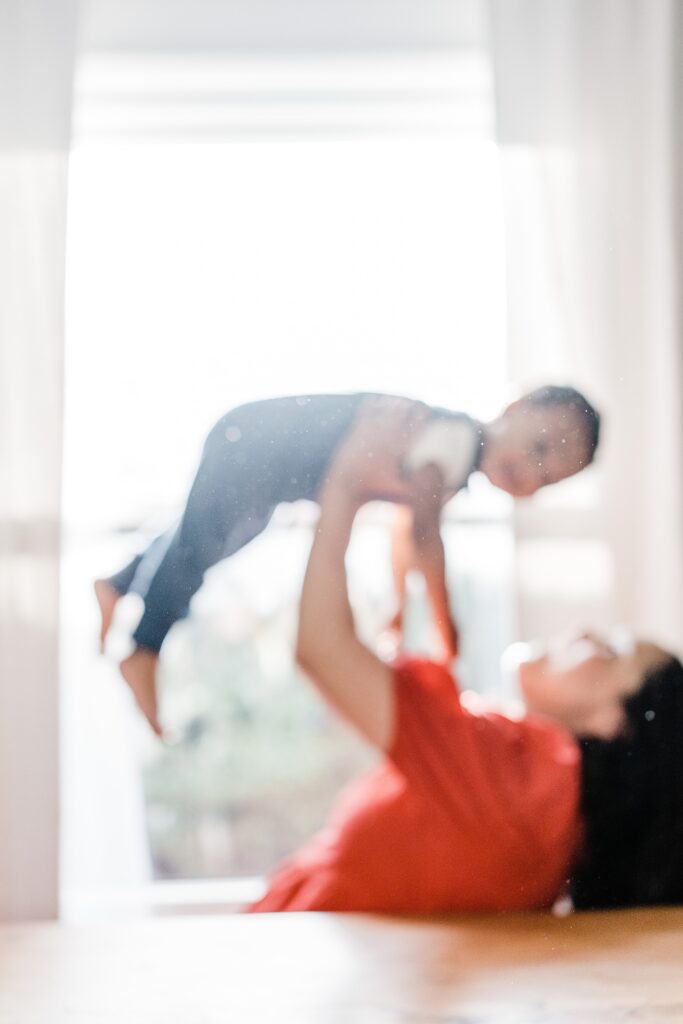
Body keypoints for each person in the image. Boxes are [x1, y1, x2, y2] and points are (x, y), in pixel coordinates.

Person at [250, 400, 683, 914]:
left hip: (293, 956)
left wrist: (346, 480)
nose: (586, 631)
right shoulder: (554, 826)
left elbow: (323, 647)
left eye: (610, 651)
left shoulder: (521, 779)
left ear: (616, 723)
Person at [96, 387, 600, 736]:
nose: (533, 471)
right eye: (538, 446)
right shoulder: (454, 438)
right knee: (199, 544)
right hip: (252, 442)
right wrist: (450, 625)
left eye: (549, 476)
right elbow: (424, 534)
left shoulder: (449, 454)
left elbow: (405, 536)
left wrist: (400, 609)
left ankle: (120, 584)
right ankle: (143, 648)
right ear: (512, 406)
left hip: (258, 454)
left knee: (216, 536)